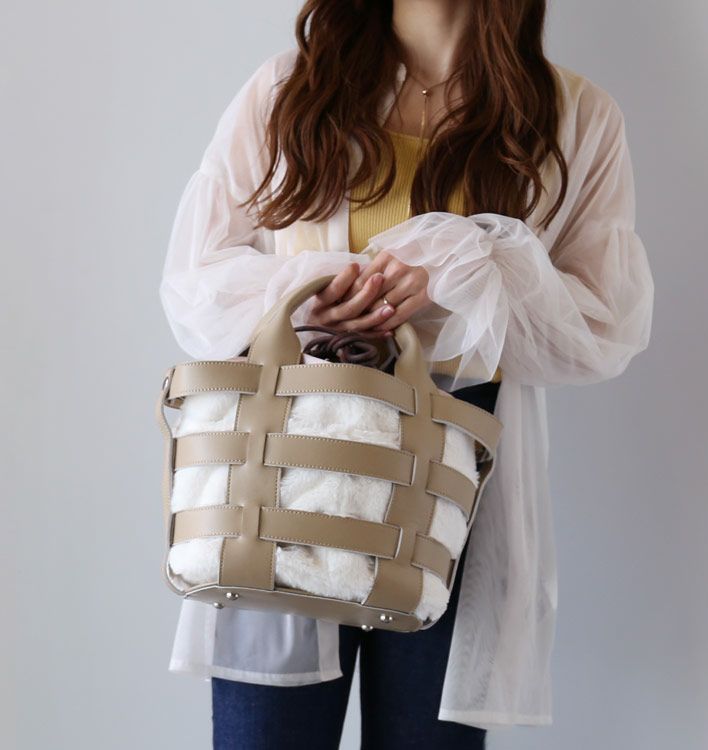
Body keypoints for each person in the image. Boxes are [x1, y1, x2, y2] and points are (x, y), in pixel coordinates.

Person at [159, 0, 655, 747]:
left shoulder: (574, 117)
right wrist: (311, 292)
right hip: (288, 472)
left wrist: (463, 277)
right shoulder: (291, 88)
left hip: (452, 489)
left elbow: (604, 323)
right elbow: (194, 280)